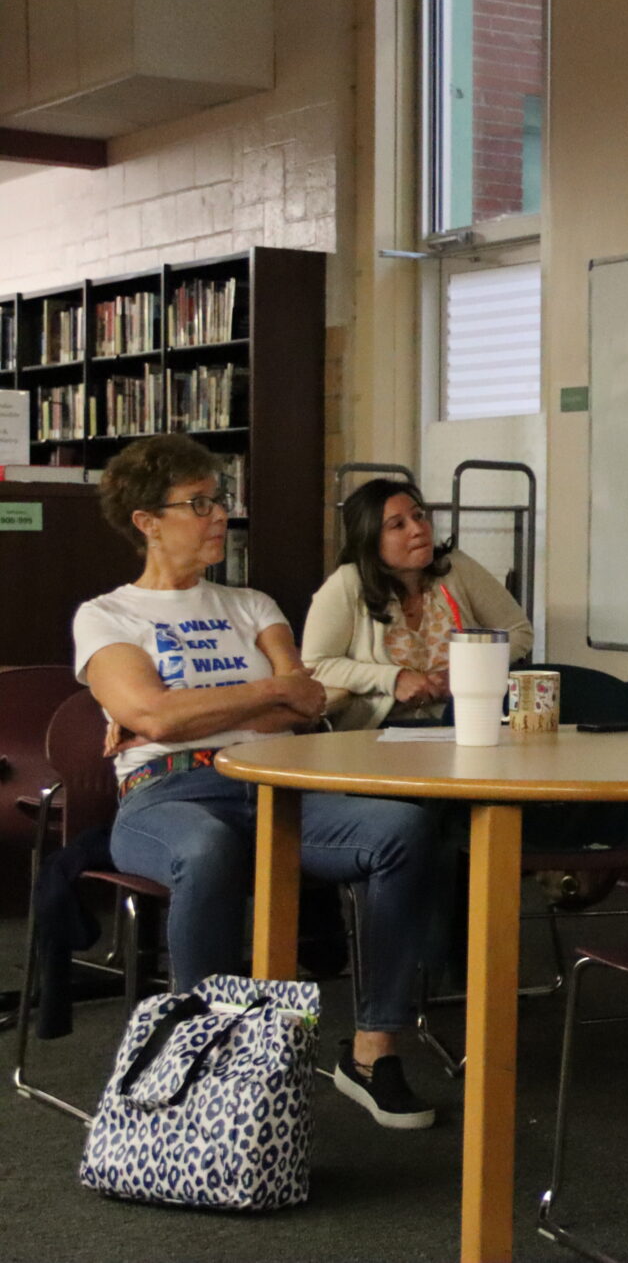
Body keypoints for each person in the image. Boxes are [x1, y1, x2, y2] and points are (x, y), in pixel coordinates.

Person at [74, 433, 440, 1128]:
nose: (219, 515)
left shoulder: (252, 603)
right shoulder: (107, 615)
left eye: (221, 500)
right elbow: (150, 712)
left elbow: (305, 698)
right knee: (206, 849)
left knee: (404, 826)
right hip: (167, 794)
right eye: (200, 503)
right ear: (148, 521)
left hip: (277, 784)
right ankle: (203, 1065)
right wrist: (248, 696)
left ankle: (371, 1049)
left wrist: (184, 712)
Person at [303, 478, 534, 730]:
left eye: (419, 516)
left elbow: (519, 632)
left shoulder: (456, 568)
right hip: (381, 730)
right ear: (370, 538)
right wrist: (393, 679)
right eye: (398, 525)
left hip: (462, 722)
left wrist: (469, 670)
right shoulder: (348, 583)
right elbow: (317, 664)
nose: (417, 528)